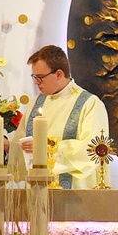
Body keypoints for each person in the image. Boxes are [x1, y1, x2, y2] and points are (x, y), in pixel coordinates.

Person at [11, 45, 110, 189]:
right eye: (34, 77)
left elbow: (90, 150)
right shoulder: (35, 104)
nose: (37, 83)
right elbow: (22, 144)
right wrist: (10, 148)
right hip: (37, 193)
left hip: (75, 195)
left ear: (58, 74)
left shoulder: (89, 103)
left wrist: (46, 148)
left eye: (40, 78)